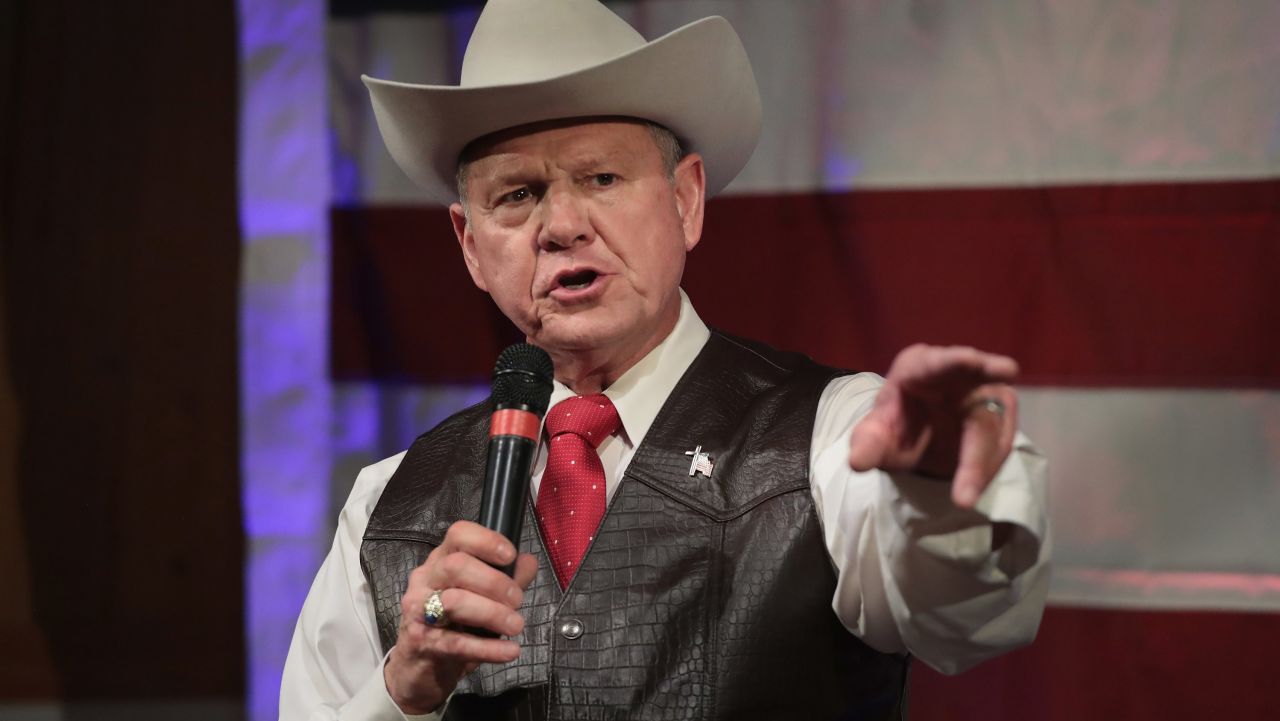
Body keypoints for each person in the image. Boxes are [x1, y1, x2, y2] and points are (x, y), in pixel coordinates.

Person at [280, 1, 1050, 719]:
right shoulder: (390, 505)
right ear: (470, 244)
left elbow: (964, 618)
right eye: (516, 195)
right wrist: (403, 687)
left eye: (601, 178)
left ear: (686, 201)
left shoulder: (832, 431)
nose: (562, 225)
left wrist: (942, 496)